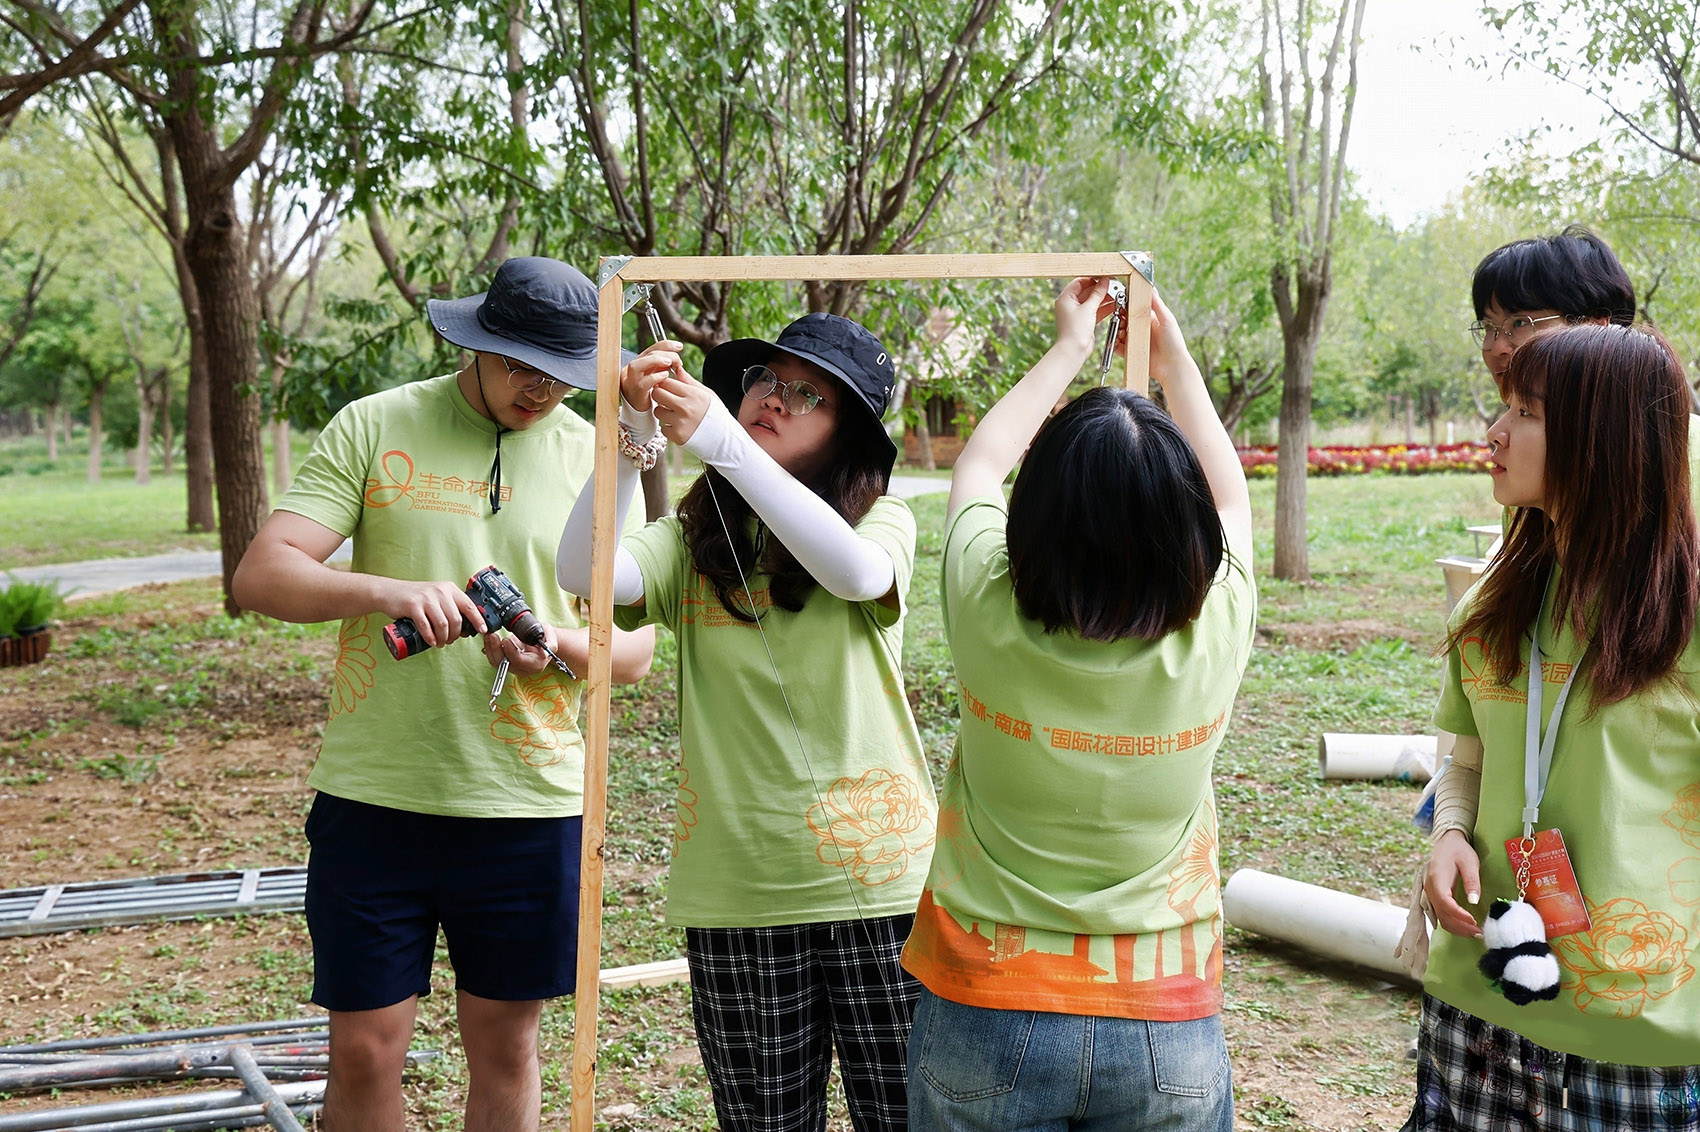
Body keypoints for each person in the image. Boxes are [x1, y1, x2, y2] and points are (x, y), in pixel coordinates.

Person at [232, 257, 655, 1132]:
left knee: (505, 1047)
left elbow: (639, 648)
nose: (540, 391)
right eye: (521, 368)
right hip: (376, 794)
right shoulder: (377, 423)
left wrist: (554, 644)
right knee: (364, 1050)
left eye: (562, 374)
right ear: (476, 344)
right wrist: (386, 589)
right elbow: (262, 575)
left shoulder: (599, 454)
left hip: (529, 805)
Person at [556, 313, 937, 1132]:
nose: (775, 398)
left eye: (810, 396)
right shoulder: (694, 540)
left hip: (883, 886)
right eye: (766, 379)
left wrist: (723, 440)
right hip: (737, 892)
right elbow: (579, 569)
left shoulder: (881, 523)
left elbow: (856, 573)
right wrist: (626, 427)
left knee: (908, 1117)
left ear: (849, 437)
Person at [898, 278, 1256, 1132]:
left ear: (1036, 521)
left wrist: (1066, 348)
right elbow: (1234, 496)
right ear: (1188, 537)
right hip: (1167, 1029)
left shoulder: (985, 609)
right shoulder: (1219, 625)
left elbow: (980, 463)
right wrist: (1175, 369)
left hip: (984, 1011)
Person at [1407, 323, 1700, 1130]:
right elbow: (1465, 759)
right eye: (1503, 407)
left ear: (1603, 439)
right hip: (1480, 1001)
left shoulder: (1684, 623)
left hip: (1640, 1032)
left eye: (1526, 413)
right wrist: (1450, 836)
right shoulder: (1492, 605)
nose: (1494, 433)